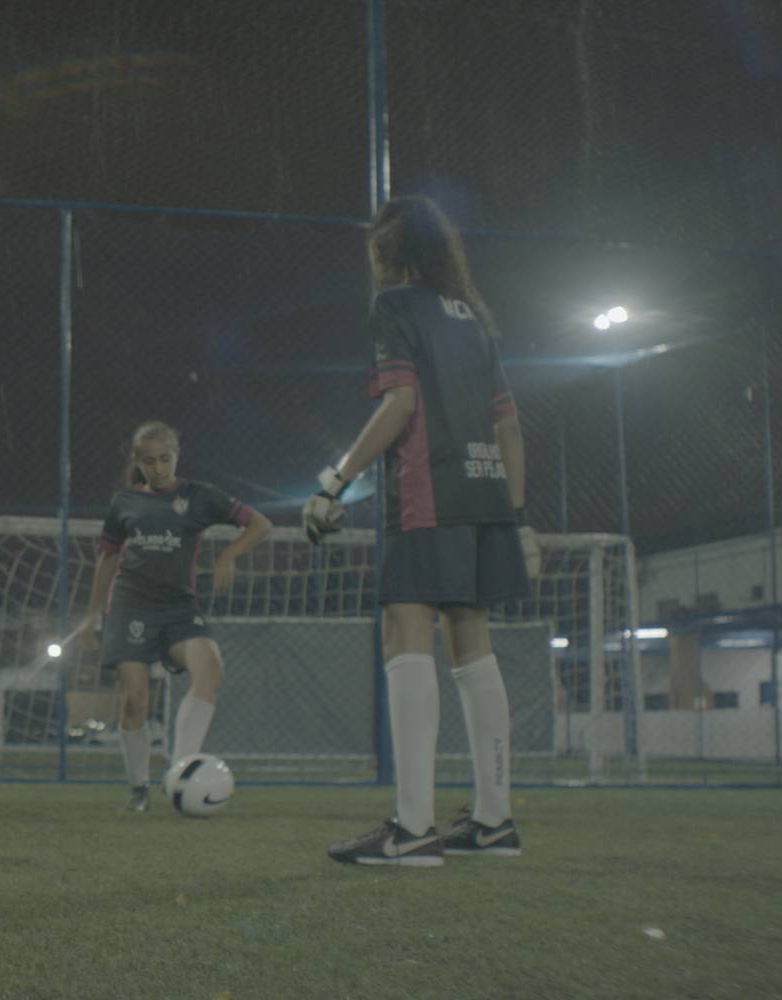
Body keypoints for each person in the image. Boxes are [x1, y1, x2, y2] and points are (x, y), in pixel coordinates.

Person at [305, 195, 541, 866]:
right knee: (472, 643)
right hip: (488, 494)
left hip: (427, 492)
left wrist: (335, 479)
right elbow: (508, 426)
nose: (375, 265)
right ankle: (495, 821)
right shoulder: (476, 320)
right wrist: (516, 518)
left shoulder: (395, 308)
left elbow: (400, 404)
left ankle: (412, 830)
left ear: (398, 256)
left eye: (380, 253)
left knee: (406, 629)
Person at [81, 421, 271, 812]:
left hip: (179, 607)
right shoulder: (125, 503)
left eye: (165, 458)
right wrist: (91, 615)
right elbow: (109, 557)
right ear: (139, 462)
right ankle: (138, 790)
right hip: (131, 606)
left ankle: (178, 773)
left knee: (211, 668)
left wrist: (228, 556)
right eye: (149, 461)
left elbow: (260, 523)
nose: (159, 467)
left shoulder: (199, 497)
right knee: (135, 699)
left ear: (176, 456)